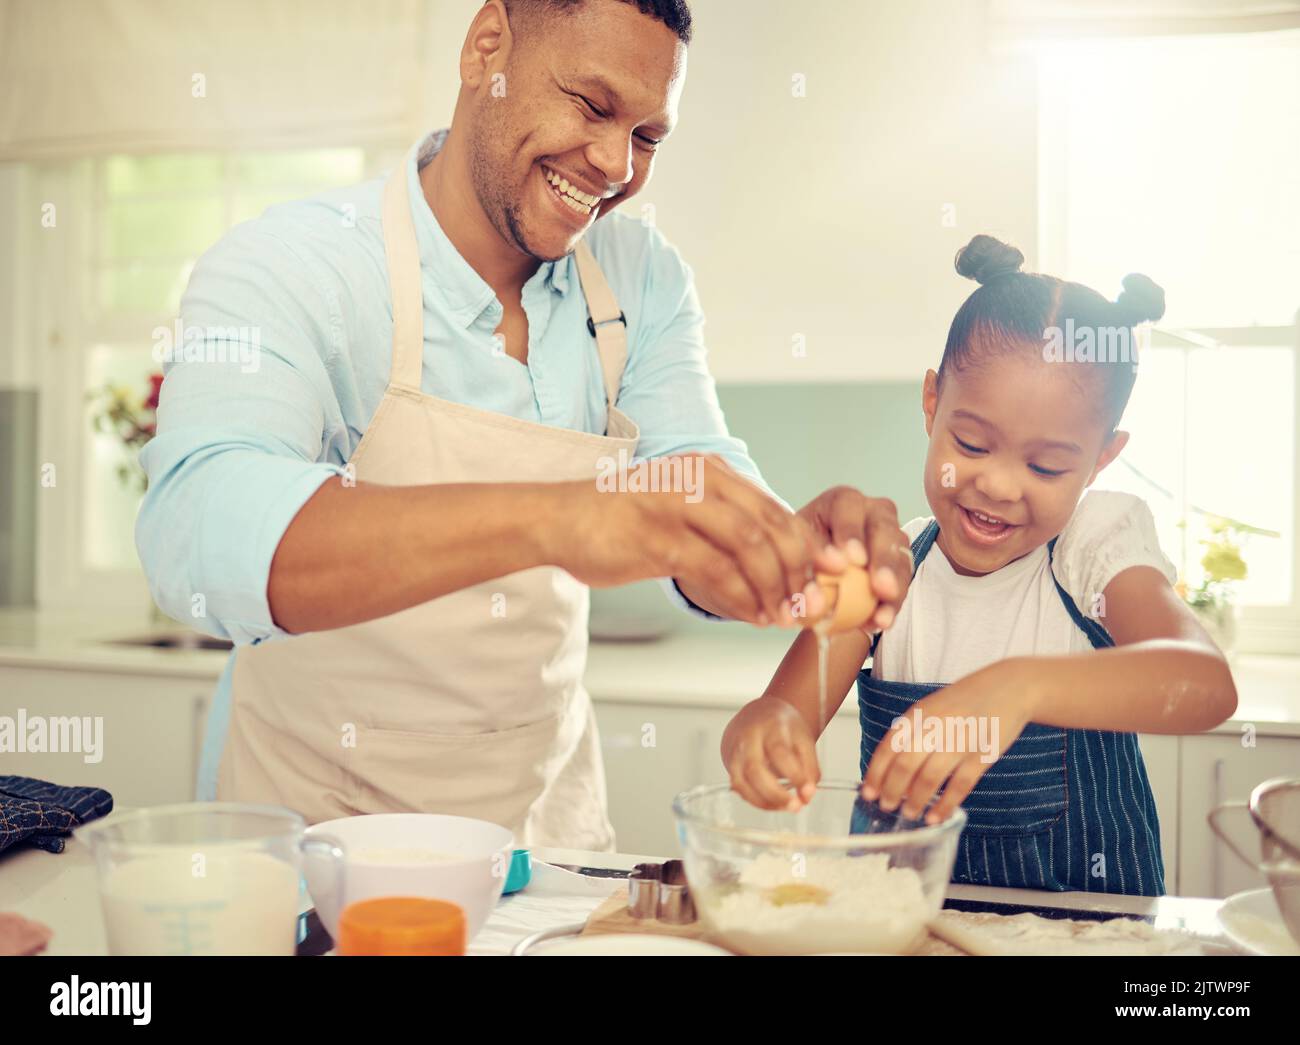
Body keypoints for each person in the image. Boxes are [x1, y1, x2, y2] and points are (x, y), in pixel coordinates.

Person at [136, 0, 912, 849]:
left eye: (648, 136)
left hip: (541, 843)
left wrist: (787, 549)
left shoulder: (639, 279)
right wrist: (562, 516)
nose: (616, 164)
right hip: (315, 835)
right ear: (487, 46)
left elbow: (693, 476)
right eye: (591, 104)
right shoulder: (295, 265)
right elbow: (196, 531)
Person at [720, 234, 1237, 894]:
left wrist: (1016, 687)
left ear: (1102, 457)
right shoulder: (890, 565)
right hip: (906, 922)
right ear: (932, 402)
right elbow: (782, 712)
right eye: (971, 443)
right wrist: (761, 732)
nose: (996, 484)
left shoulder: (1094, 548)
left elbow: (1206, 685)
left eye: (1046, 465)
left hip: (1087, 936)